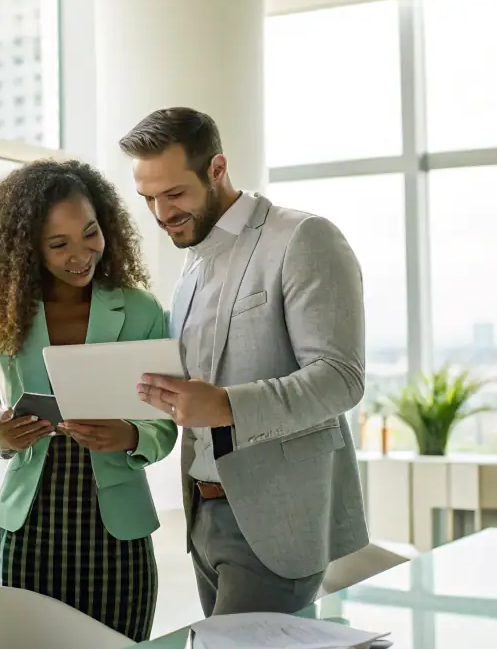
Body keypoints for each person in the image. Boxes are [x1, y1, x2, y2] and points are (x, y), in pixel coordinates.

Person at [120, 107, 368, 617]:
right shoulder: (191, 266)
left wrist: (227, 405)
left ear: (217, 169)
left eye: (175, 194)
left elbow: (341, 379)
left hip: (278, 517)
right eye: (149, 199)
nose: (163, 214)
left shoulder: (302, 238)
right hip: (204, 514)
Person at [0, 160, 177, 641]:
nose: (82, 255)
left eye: (90, 234)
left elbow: (165, 425)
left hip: (116, 532)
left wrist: (128, 434)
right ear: (28, 248)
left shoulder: (140, 310)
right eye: (59, 245)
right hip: (30, 527)